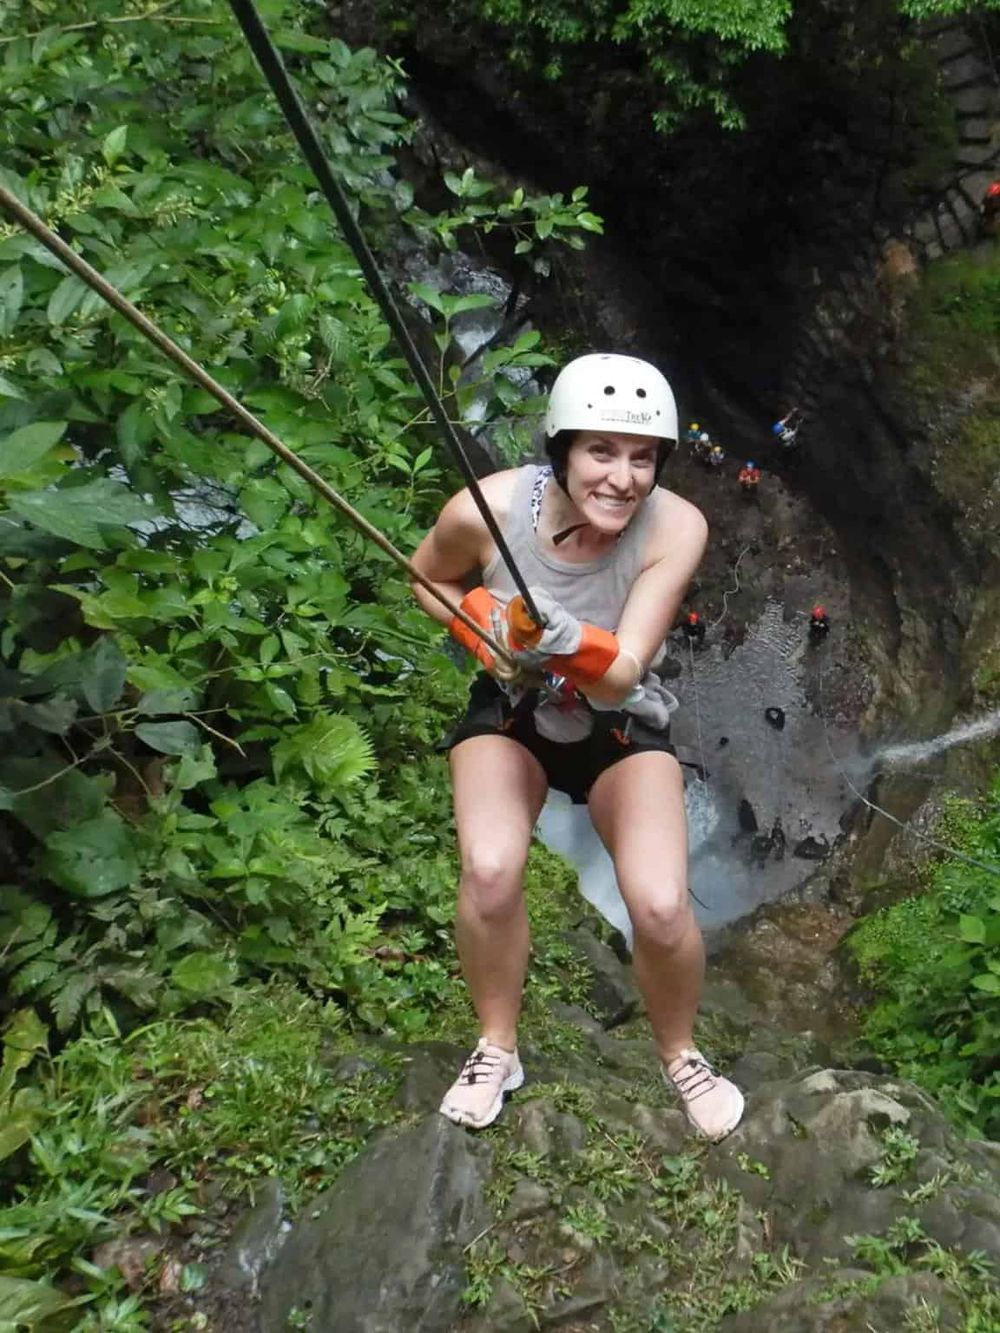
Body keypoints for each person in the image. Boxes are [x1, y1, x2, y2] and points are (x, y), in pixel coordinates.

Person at [410, 352, 744, 1141]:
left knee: (661, 906)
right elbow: (428, 577)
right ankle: (497, 1045)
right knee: (490, 870)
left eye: (641, 457)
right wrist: (476, 629)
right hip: (513, 705)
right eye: (601, 451)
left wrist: (564, 636)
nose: (623, 478)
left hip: (620, 720)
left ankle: (682, 1054)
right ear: (559, 450)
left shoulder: (677, 526)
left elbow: (623, 669)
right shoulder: (484, 509)